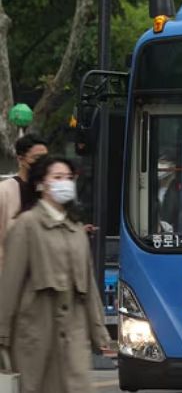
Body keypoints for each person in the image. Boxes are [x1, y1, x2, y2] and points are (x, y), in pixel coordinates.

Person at [0, 156, 111, 393]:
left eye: (69, 178)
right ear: (41, 184)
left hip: (74, 333)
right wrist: (2, 335)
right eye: (57, 177)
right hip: (36, 333)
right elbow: (10, 284)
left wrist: (100, 332)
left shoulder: (76, 230)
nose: (65, 183)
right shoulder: (27, 225)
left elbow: (89, 286)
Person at [0, 134, 48, 271]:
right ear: (21, 159)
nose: (42, 164)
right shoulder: (4, 191)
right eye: (37, 159)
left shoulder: (48, 191)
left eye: (45, 159)